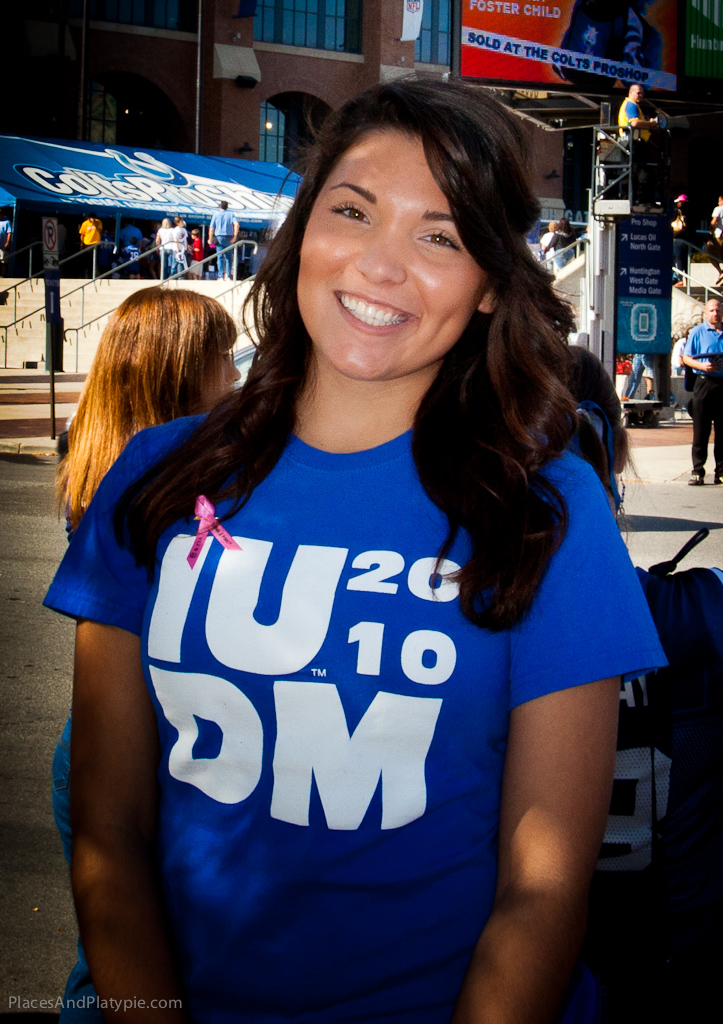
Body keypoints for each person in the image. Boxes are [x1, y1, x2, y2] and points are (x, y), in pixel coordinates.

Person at [44, 80, 664, 1024]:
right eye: (351, 211)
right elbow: (106, 830)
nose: (380, 265)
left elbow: (540, 892)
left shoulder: (545, 511)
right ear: (302, 230)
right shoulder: (156, 477)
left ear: (492, 281)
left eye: (440, 236)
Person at [51, 287, 240, 1021]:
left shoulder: (92, 449)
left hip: (94, 741)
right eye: (223, 360)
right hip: (163, 744)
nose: (236, 378)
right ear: (180, 371)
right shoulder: (174, 479)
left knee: (106, 963)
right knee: (141, 967)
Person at [566, 346, 723, 1024]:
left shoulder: (461, 636)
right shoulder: (702, 612)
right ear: (614, 464)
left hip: (537, 969)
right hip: (684, 961)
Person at [682, 297, 723, 485]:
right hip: (704, 383)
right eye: (712, 310)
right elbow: (686, 358)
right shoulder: (698, 332)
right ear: (705, 313)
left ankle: (721, 472)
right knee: (701, 430)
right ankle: (698, 471)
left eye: (718, 310)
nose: (716, 313)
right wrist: (701, 365)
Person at [618, 84, 660, 206]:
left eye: (642, 93)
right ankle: (644, 200)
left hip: (630, 142)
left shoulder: (632, 105)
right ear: (631, 93)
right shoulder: (631, 104)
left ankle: (632, 199)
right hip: (634, 142)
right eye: (638, 93)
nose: (641, 96)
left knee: (634, 172)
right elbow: (635, 123)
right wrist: (650, 124)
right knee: (646, 171)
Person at [208, 199, 239, 280]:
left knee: (220, 257)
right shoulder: (231, 214)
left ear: (219, 206)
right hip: (229, 237)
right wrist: (235, 236)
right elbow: (236, 224)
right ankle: (228, 276)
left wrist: (210, 239)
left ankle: (220, 276)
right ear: (227, 207)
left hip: (219, 237)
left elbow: (211, 228)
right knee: (229, 258)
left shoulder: (216, 214)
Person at [671, 194, 688, 286]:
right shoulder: (689, 211)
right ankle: (686, 281)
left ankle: (679, 279)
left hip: (678, 239)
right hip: (687, 240)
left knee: (678, 259)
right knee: (685, 260)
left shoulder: (677, 211)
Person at [706, 195, 723, 285]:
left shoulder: (718, 209)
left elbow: (714, 220)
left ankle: (720, 271)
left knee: (709, 252)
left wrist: (710, 230)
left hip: (719, 236)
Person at [0, 207, 12, 276]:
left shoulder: (7, 222)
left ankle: (2, 274)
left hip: (3, 244)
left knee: (3, 260)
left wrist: (8, 242)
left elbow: (9, 233)